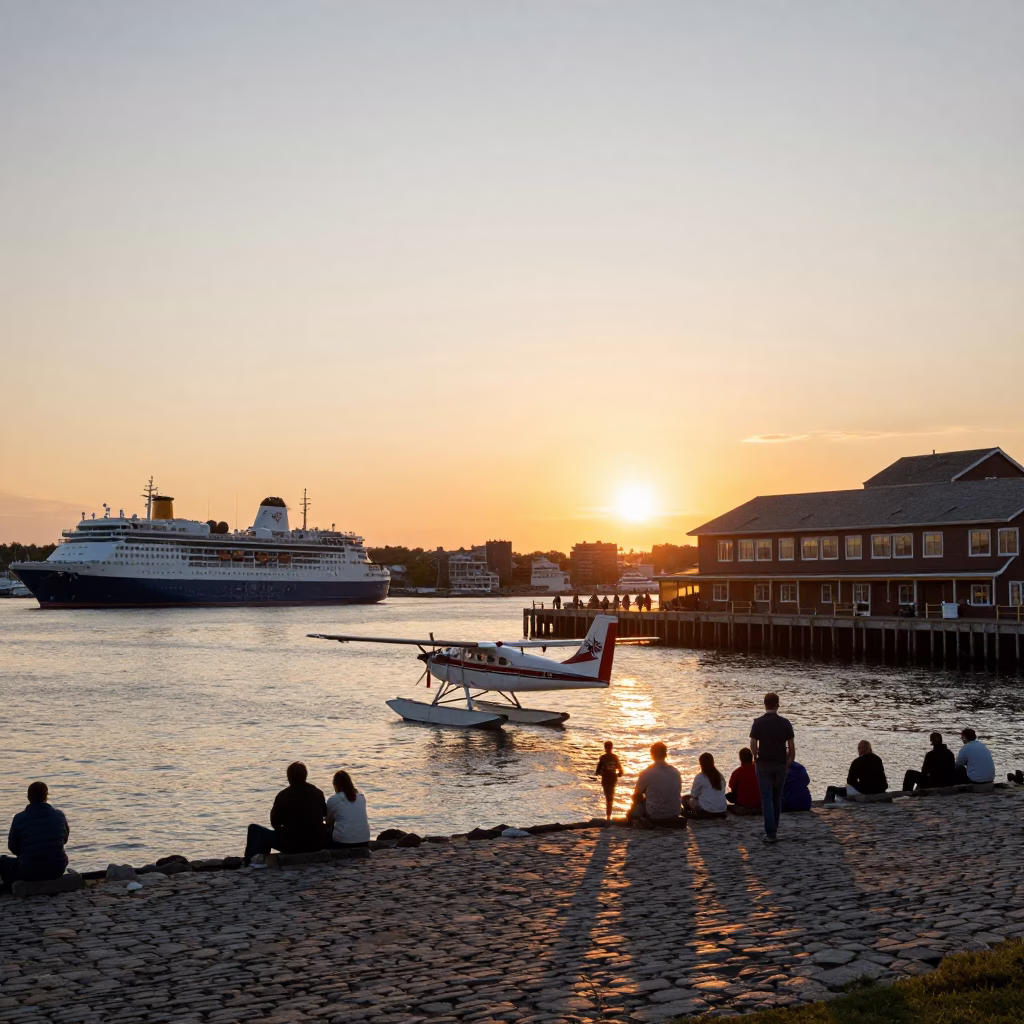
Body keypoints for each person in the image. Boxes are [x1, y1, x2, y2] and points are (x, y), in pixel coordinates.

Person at [244, 762, 328, 865]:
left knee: (254, 829)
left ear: (289, 777)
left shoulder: (283, 796)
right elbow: (324, 814)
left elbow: (275, 823)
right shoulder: (318, 793)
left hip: (292, 844)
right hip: (316, 843)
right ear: (305, 775)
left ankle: (250, 862)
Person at [0, 782, 70, 892]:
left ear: (28, 797)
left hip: (29, 871)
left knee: (2, 861)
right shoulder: (59, 815)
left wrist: (26, 854)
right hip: (58, 868)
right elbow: (64, 840)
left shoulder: (19, 818)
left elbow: (13, 847)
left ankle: (8, 889)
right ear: (47, 796)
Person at [750, 692, 795, 844]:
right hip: (781, 763)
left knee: (766, 796)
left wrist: (755, 758)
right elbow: (791, 746)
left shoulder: (758, 723)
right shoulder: (785, 723)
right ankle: (774, 828)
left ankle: (771, 833)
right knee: (777, 796)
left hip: (764, 763)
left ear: (764, 704)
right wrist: (790, 760)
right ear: (777, 704)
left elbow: (753, 744)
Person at [626, 742, 685, 828]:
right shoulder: (675, 772)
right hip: (674, 812)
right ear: (665, 754)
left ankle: (641, 822)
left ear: (652, 755)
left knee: (635, 807)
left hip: (655, 814)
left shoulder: (647, 773)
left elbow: (636, 795)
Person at [325, 770, 370, 848]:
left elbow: (329, 821)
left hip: (343, 842)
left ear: (335, 785)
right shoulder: (361, 797)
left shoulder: (334, 799)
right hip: (364, 841)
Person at [682, 753, 728, 819]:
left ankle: (690, 814)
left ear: (701, 764)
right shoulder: (720, 776)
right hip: (722, 809)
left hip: (707, 810)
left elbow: (693, 795)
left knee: (684, 799)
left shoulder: (700, 776)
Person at [595, 741, 624, 819]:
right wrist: (617, 774)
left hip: (605, 779)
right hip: (613, 778)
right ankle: (608, 816)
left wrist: (600, 773)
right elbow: (621, 771)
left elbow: (597, 771)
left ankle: (608, 816)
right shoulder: (615, 757)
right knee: (610, 797)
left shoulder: (602, 758)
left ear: (605, 748)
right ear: (611, 748)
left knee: (608, 797)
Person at [726, 748, 761, 813]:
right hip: (760, 802)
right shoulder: (760, 769)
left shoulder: (737, 772)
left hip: (743, 803)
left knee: (728, 795)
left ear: (740, 759)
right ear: (751, 757)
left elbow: (732, 786)